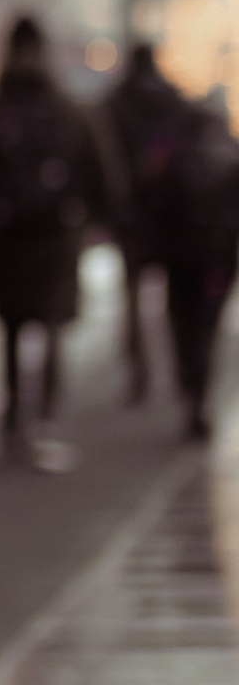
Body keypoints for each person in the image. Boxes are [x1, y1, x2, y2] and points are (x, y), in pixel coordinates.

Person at [0, 12, 116, 466]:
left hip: (8, 237)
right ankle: (46, 421)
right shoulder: (67, 110)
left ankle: (12, 420)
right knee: (50, 329)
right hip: (56, 236)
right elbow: (100, 173)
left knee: (10, 331)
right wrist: (88, 221)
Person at [102, 38, 189, 402]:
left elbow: (105, 161)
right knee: (174, 294)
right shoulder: (174, 101)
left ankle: (138, 371)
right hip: (170, 214)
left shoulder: (114, 103)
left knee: (132, 294)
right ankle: (178, 368)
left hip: (130, 215)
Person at [151, 89, 239, 440]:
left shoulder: (175, 159)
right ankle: (198, 396)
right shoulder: (231, 158)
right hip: (217, 262)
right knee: (208, 329)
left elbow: (157, 209)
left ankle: (190, 385)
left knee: (183, 326)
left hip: (180, 260)